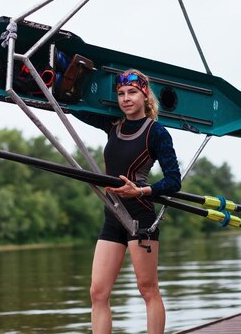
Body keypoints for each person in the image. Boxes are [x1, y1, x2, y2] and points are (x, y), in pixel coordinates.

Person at [74, 69, 181, 334]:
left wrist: (141, 192)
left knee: (147, 289)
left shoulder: (157, 132)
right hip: (112, 215)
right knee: (98, 292)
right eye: (121, 94)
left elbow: (174, 181)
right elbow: (74, 108)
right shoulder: (112, 126)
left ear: (145, 95)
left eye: (132, 92)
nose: (126, 98)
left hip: (140, 217)